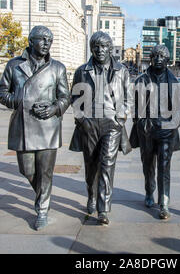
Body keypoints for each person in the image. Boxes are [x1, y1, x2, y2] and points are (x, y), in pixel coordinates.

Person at [0, 26, 70, 230]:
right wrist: (19, 100)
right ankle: (43, 197)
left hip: (48, 127)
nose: (47, 43)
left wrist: (54, 108)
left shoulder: (58, 68)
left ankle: (42, 210)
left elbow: (65, 97)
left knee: (45, 172)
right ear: (30, 41)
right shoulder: (14, 65)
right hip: (23, 125)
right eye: (43, 39)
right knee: (27, 170)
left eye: (50, 40)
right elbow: (1, 93)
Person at [69, 31, 132, 225]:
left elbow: (128, 98)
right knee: (91, 166)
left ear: (110, 48)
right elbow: (75, 98)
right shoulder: (82, 71)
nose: (100, 50)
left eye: (104, 46)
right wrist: (82, 120)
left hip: (111, 124)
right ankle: (92, 195)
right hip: (89, 124)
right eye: (96, 46)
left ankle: (103, 208)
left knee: (107, 165)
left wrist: (120, 120)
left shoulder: (122, 70)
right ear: (91, 49)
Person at [130, 45, 180, 219]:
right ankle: (149, 191)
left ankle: (164, 202)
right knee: (148, 166)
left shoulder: (174, 82)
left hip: (166, 132)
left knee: (164, 167)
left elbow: (179, 110)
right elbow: (135, 108)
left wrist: (172, 124)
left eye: (162, 56)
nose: (158, 59)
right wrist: (141, 122)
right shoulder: (141, 81)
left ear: (167, 60)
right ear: (151, 59)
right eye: (155, 56)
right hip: (147, 130)